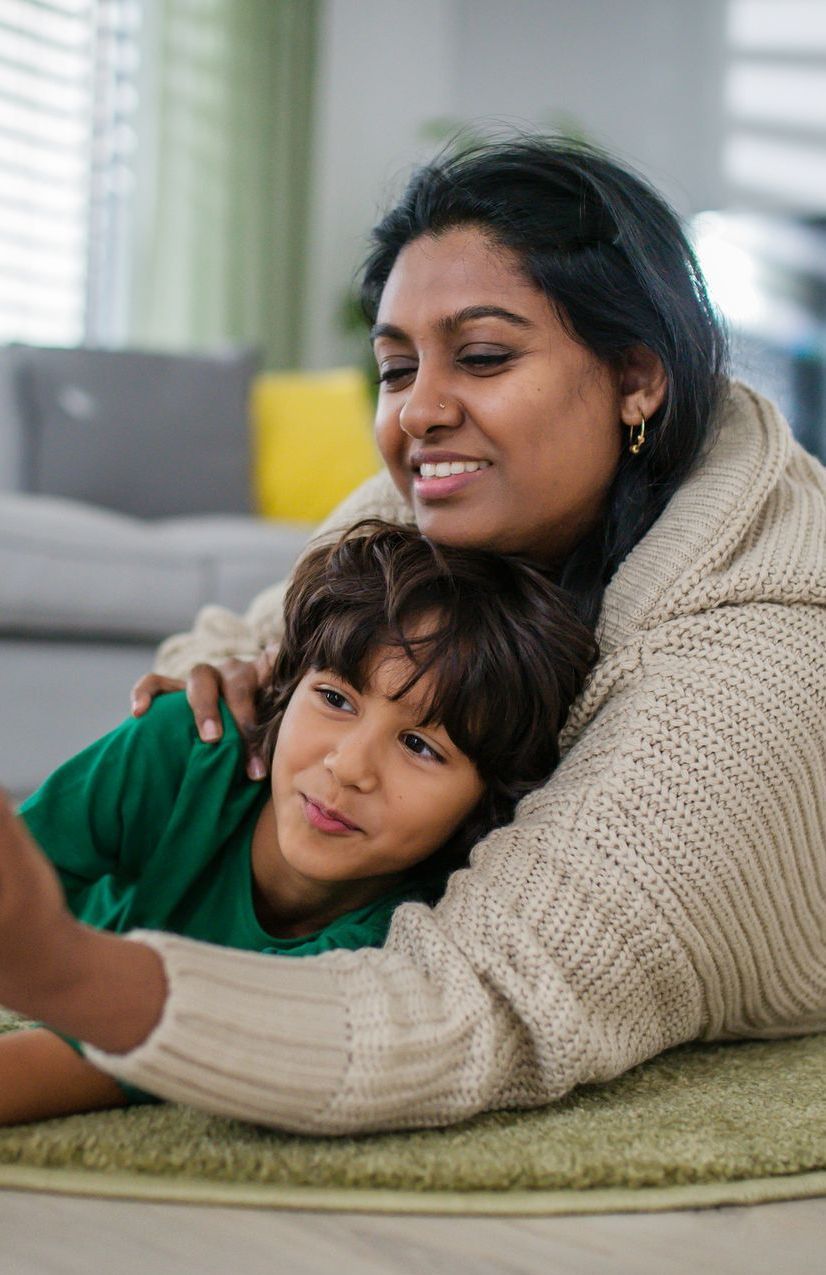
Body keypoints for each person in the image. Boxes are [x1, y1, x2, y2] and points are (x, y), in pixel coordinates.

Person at [0, 136, 823, 1134]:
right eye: (395, 367)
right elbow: (260, 631)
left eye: (482, 357)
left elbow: (468, 1008)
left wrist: (69, 971)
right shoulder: (445, 494)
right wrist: (217, 681)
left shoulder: (743, 671)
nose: (418, 414)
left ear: (635, 378)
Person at [0, 520, 596, 1124]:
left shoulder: (401, 940)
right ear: (282, 687)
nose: (350, 767)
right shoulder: (187, 743)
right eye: (335, 699)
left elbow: (116, 1064)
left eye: (420, 745)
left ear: (484, 807)